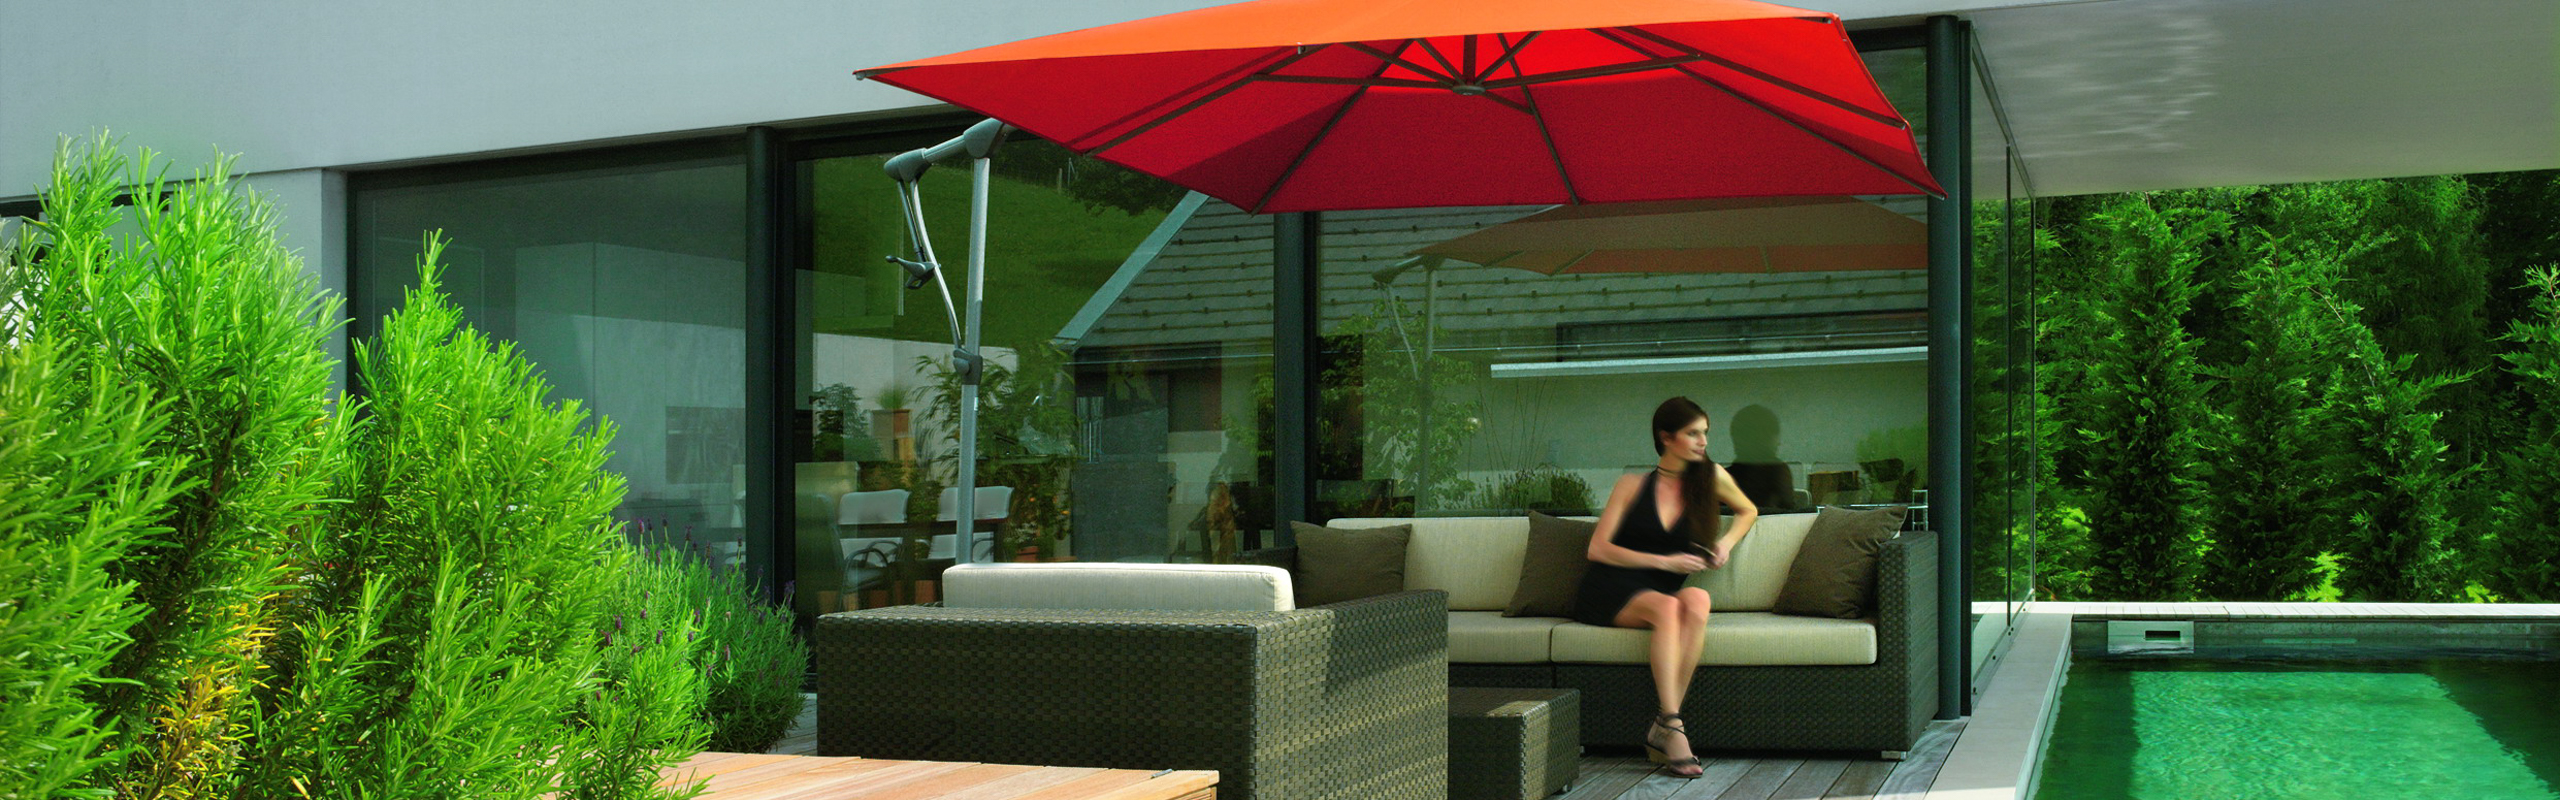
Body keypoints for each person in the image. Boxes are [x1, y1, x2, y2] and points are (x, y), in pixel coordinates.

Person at [1570, 396, 1760, 778]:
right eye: (1693, 433)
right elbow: (1598, 549)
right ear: (1666, 438)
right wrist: (1665, 562)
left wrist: (1724, 544)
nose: (1703, 441)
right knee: (1670, 607)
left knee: (1698, 599)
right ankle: (1672, 726)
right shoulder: (1632, 485)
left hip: (1660, 590)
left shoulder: (1711, 478)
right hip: (1612, 587)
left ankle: (1665, 723)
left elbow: (1748, 510)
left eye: (1705, 433)